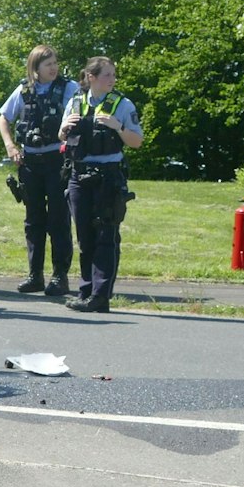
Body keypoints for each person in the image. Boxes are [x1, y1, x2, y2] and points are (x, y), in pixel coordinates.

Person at [59, 56, 142, 313]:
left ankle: (100, 295)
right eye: (107, 75)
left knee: (106, 236)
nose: (112, 80)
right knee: (85, 236)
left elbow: (136, 141)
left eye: (114, 75)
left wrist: (118, 127)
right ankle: (85, 292)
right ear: (91, 77)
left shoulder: (122, 105)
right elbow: (61, 136)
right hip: (79, 175)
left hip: (108, 175)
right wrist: (63, 129)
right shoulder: (75, 101)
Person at [0, 45, 78, 296]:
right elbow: (3, 117)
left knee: (58, 219)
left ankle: (59, 276)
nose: (53, 68)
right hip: (30, 162)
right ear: (35, 68)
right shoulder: (23, 90)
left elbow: (77, 116)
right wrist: (11, 146)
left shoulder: (69, 88)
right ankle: (35, 276)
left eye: (55, 62)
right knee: (33, 221)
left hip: (57, 161)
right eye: (47, 64)